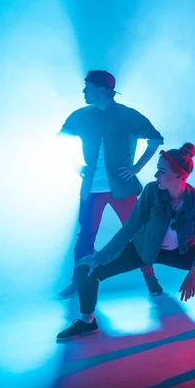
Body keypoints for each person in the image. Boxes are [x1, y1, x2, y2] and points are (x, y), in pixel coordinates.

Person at [56, 143, 195, 341]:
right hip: (144, 249)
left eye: (161, 171)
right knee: (86, 267)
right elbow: (129, 228)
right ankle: (87, 321)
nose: (156, 176)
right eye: (157, 170)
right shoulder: (151, 191)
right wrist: (99, 258)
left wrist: (194, 271)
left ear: (179, 176)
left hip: (181, 252)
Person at [57, 70, 165, 299]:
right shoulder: (81, 115)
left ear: (101, 90)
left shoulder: (128, 115)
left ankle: (150, 278)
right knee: (86, 235)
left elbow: (155, 139)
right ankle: (79, 282)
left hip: (122, 189)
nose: (84, 91)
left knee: (139, 233)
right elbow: (60, 140)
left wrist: (136, 168)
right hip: (91, 190)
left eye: (88, 87)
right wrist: (76, 166)